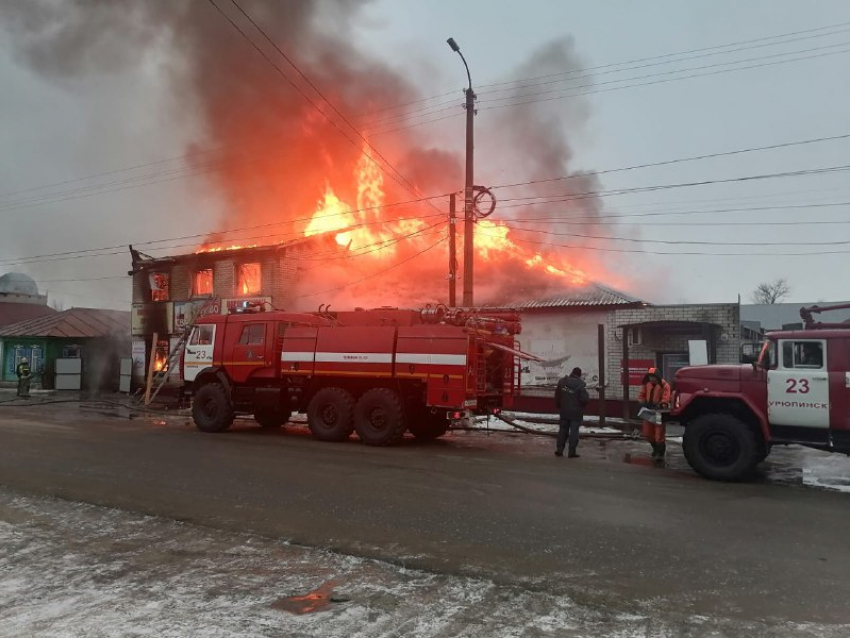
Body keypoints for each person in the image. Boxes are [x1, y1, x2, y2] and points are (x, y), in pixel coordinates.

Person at [554, 367, 589, 458]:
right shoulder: (580, 384)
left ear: (572, 373)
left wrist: (559, 406)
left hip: (564, 411)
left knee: (562, 430)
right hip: (576, 413)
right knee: (574, 432)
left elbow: (557, 395)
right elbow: (585, 399)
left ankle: (559, 450)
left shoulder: (562, 382)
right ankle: (571, 452)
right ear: (579, 375)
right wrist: (581, 407)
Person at [638, 367, 671, 460]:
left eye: (653, 377)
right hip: (648, 411)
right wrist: (643, 403)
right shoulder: (646, 384)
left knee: (659, 434)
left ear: (657, 377)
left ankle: (660, 453)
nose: (651, 379)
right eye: (650, 377)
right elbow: (641, 395)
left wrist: (661, 404)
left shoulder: (664, 385)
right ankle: (655, 449)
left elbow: (666, 399)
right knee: (648, 433)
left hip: (659, 412)